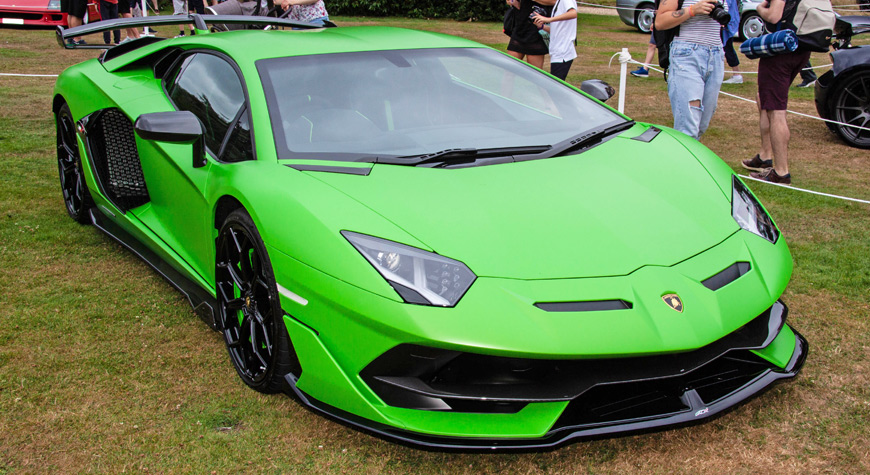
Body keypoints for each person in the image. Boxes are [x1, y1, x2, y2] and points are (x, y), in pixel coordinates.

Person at [742, 0, 810, 184]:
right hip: (801, 48)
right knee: (764, 98)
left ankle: (781, 172)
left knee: (776, 110)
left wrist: (759, 9)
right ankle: (765, 155)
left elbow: (773, 16)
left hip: (780, 49)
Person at [655, 0, 728, 140]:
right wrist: (692, 10)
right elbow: (660, 21)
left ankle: (684, 159)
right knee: (688, 129)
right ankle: (681, 161)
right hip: (687, 54)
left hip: (716, 54)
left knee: (701, 126)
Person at [532, 0, 577, 80]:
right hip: (557, 52)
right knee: (556, 85)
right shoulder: (558, 3)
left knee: (556, 86)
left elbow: (573, 13)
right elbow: (556, 30)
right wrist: (541, 26)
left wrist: (548, 19)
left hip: (562, 52)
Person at [505, 0, 552, 69]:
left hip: (537, 30)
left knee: (535, 73)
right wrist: (511, 2)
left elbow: (555, 2)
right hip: (520, 28)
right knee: (508, 70)